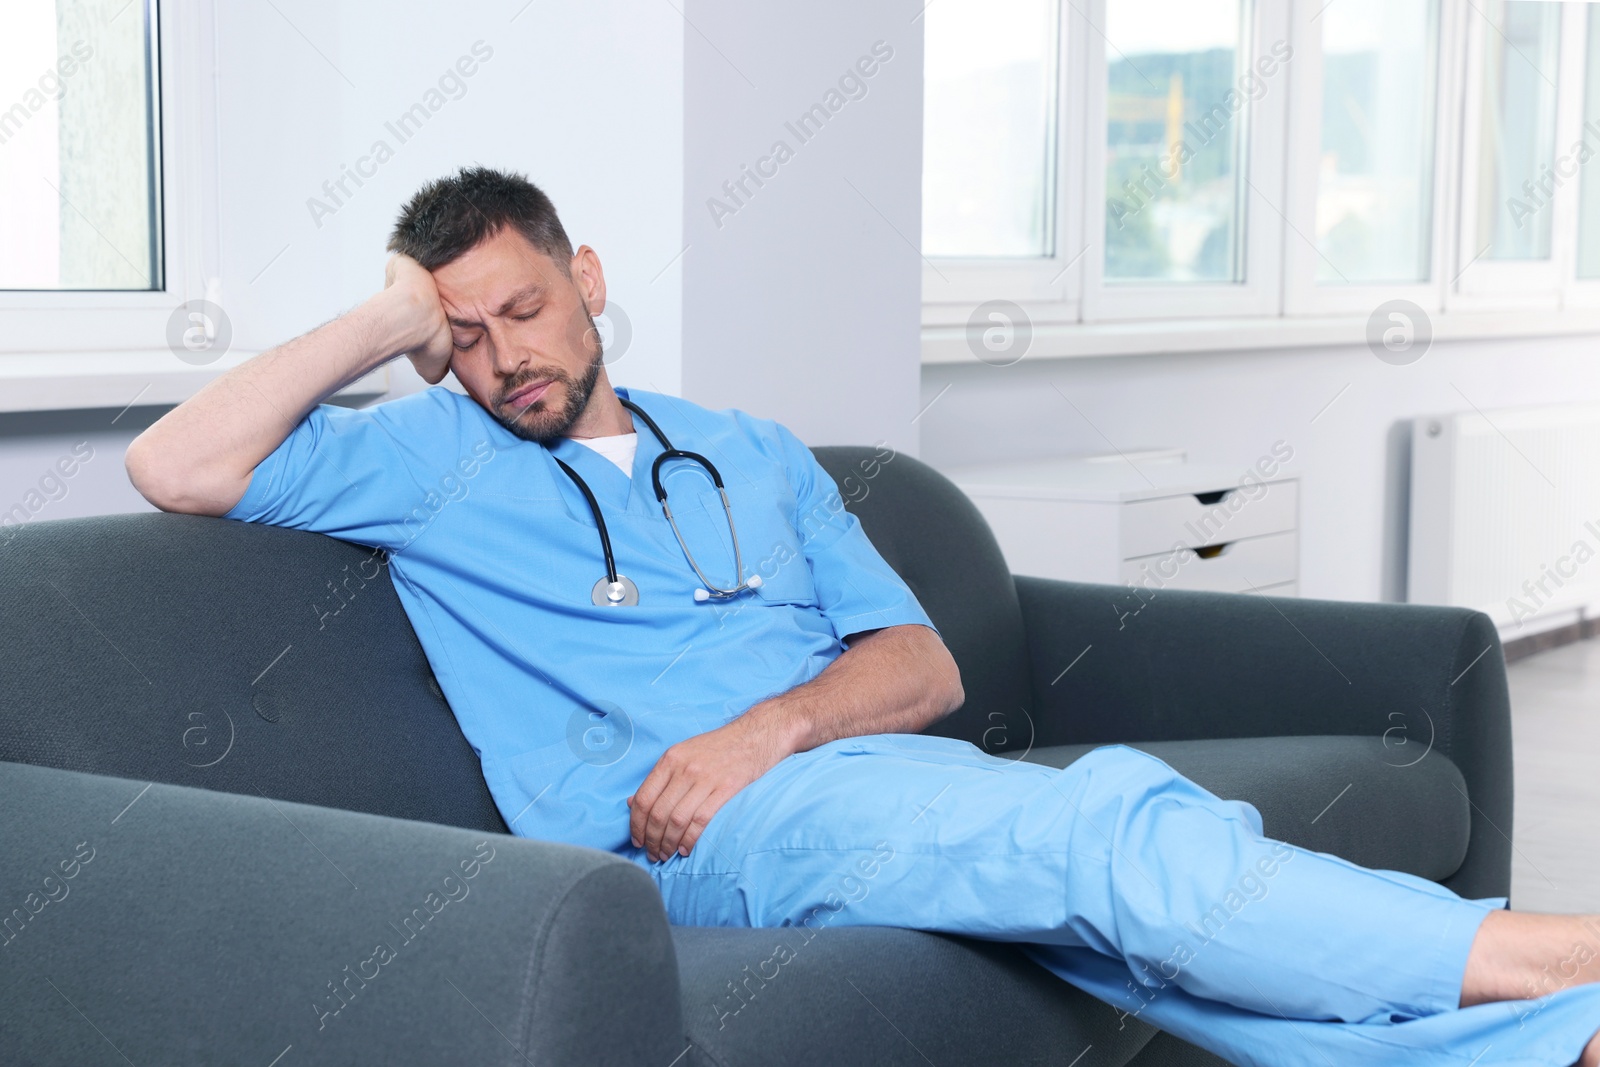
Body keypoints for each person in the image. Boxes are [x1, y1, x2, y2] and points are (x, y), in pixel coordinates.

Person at [126, 166, 1600, 1066]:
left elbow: (922, 665)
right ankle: (1555, 956)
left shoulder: (754, 451)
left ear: (586, 280)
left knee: (1110, 905)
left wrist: (774, 725)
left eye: (519, 308)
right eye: (462, 336)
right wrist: (390, 326)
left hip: (848, 776)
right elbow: (174, 463)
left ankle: (1547, 1041)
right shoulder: (420, 459)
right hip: (678, 837)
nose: (502, 355)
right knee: (1097, 831)